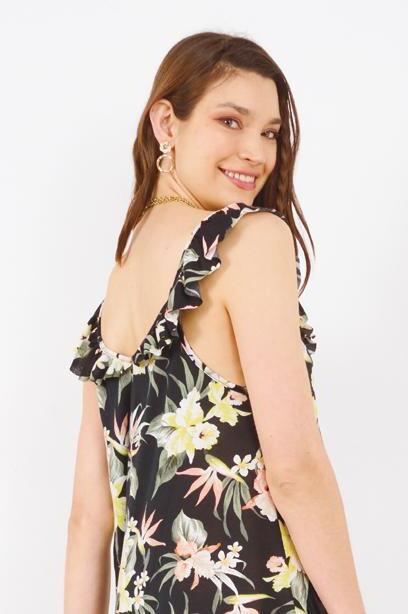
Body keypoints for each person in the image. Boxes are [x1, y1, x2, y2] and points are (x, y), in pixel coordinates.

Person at [64, 32, 366, 614]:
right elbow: (295, 471)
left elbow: (87, 519)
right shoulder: (250, 240)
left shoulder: (118, 286)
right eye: (231, 121)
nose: (256, 151)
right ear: (166, 124)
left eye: (270, 133)